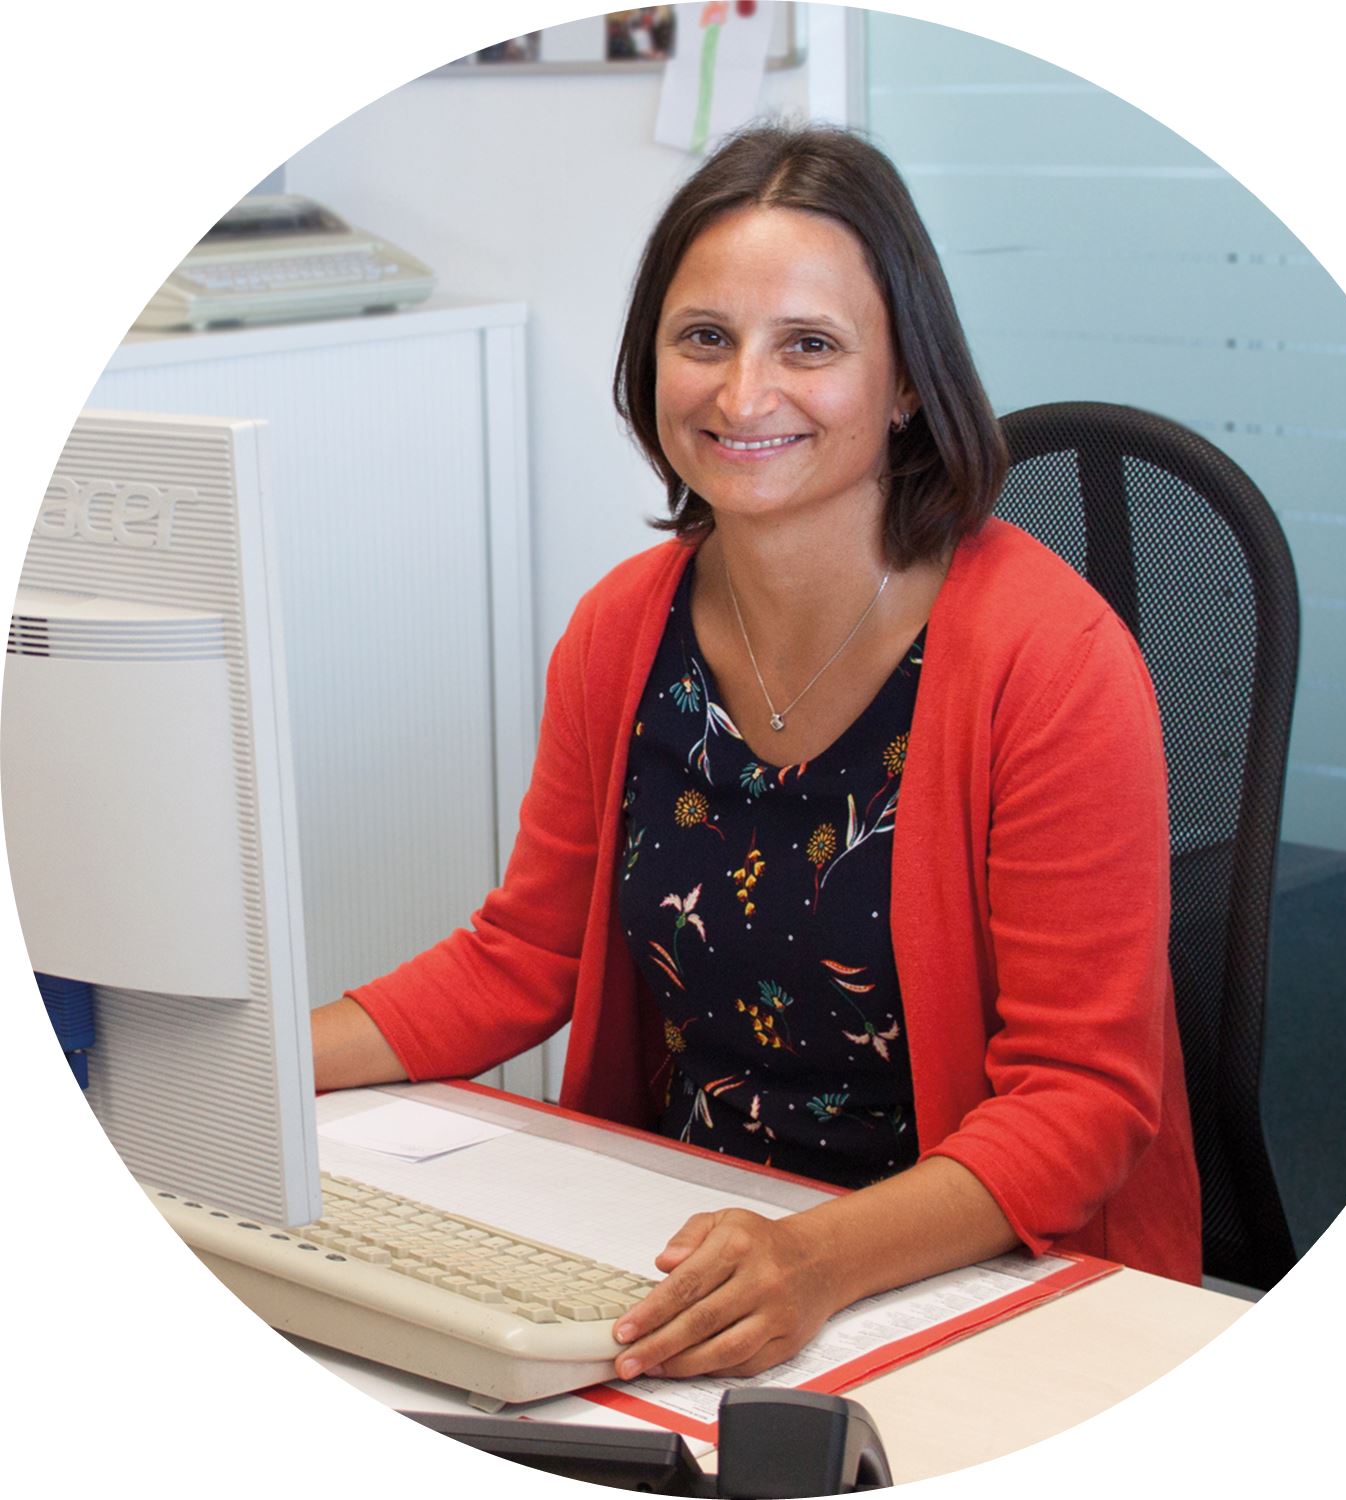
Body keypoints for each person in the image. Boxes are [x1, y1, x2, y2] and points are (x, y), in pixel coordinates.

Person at [312, 123, 1201, 1383]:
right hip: (683, 1237)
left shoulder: (1049, 659)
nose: (742, 396)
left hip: (982, 1270)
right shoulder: (624, 629)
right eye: (705, 338)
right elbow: (523, 955)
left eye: (810, 346)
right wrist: (237, 1074)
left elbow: (1083, 1099)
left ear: (907, 383)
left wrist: (819, 1260)